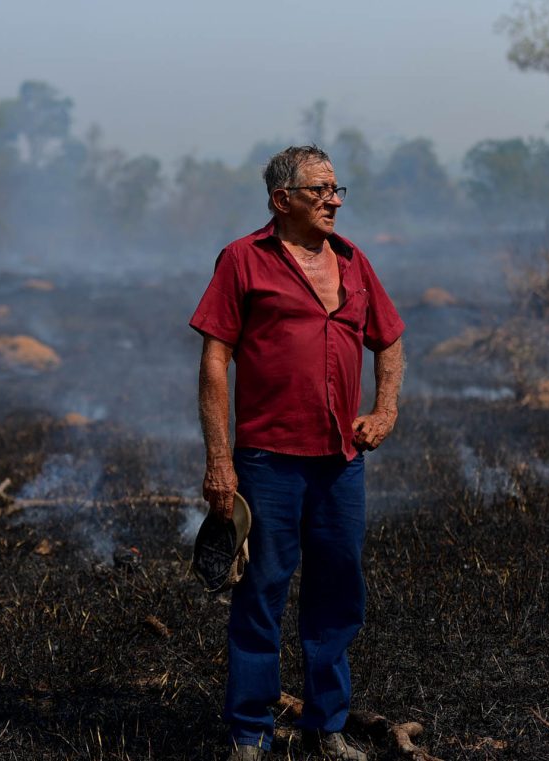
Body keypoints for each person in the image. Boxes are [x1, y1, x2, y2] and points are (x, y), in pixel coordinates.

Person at [189, 146, 405, 761]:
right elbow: (214, 362)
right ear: (282, 200)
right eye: (320, 190)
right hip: (267, 461)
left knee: (338, 594)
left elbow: (388, 340)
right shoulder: (243, 260)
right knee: (261, 592)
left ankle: (325, 725)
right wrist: (219, 461)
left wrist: (385, 411)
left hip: (340, 463)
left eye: (338, 189)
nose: (334, 200)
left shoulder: (354, 261)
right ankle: (249, 733)